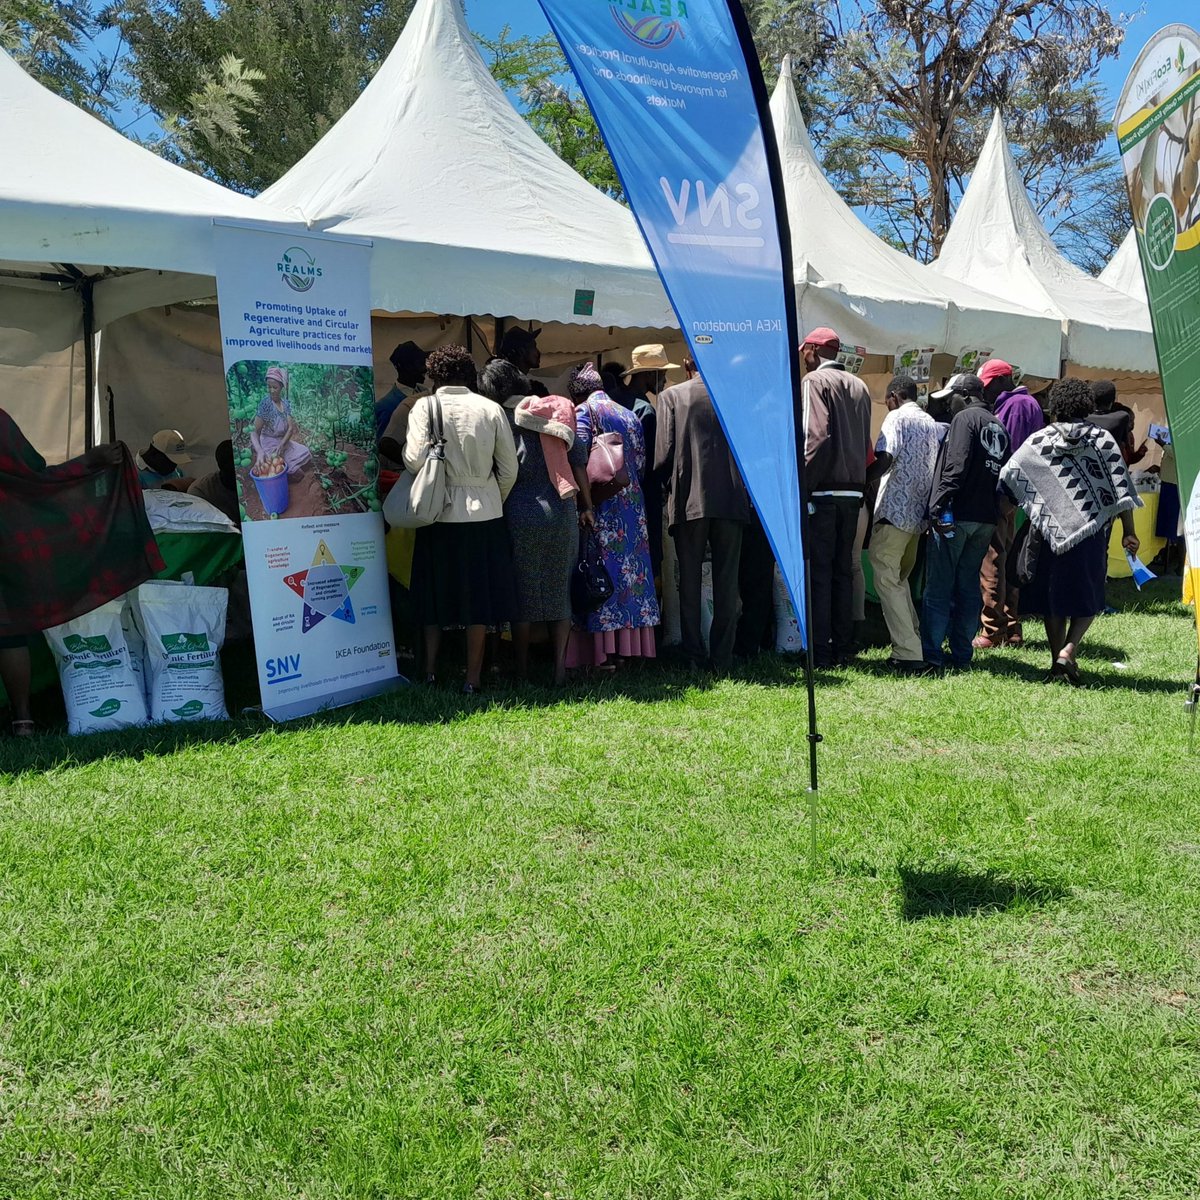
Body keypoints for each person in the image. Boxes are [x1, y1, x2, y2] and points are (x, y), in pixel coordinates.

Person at [1001, 377, 1140, 685]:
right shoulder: (1101, 440)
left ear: (1057, 405)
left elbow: (1012, 472)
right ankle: (1069, 649)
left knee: (1055, 599)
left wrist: (1008, 512)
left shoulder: (1041, 440)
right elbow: (1120, 489)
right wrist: (1128, 531)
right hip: (1090, 535)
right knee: (1089, 596)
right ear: (1086, 405)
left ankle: (1056, 661)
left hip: (1050, 533)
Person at [403, 345, 519, 693]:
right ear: (470, 374)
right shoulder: (491, 408)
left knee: (434, 595)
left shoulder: (424, 406)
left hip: (437, 512)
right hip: (485, 515)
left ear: (434, 375)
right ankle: (472, 678)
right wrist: (490, 498)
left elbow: (411, 460)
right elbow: (510, 469)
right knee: (478, 600)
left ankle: (431, 672)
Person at [477, 358, 593, 686]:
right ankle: (558, 670)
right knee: (560, 593)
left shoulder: (499, 419)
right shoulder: (554, 412)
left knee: (524, 593)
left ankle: (523, 670)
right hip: (560, 511)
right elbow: (579, 461)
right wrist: (587, 504)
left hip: (518, 513)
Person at [655, 364, 750, 673]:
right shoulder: (735, 398)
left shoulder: (671, 397)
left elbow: (663, 456)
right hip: (731, 499)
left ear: (686, 367)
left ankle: (694, 655)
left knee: (690, 581)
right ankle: (722, 658)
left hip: (688, 499)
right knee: (727, 581)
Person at [567, 363, 660, 670]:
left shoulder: (583, 412)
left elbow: (579, 458)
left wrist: (586, 504)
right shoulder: (629, 413)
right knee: (630, 577)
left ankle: (602, 653)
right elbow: (642, 463)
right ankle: (629, 648)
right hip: (632, 505)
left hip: (601, 505)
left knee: (600, 572)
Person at [921, 372, 1010, 671]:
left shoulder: (964, 420)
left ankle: (931, 653)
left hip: (956, 514)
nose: (949, 406)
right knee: (968, 585)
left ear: (965, 394)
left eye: (950, 399)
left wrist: (937, 506)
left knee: (939, 586)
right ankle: (961, 654)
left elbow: (955, 464)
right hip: (985, 518)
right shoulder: (998, 424)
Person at [800, 326, 872, 667]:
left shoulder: (814, 382)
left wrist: (803, 484)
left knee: (820, 574)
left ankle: (820, 652)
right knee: (844, 571)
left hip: (824, 492)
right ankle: (844, 647)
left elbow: (817, 435)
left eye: (804, 351)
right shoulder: (860, 385)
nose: (803, 357)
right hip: (853, 494)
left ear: (813, 351)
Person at [867, 375, 940, 673]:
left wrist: (861, 480)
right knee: (900, 582)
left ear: (895, 396)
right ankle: (914, 641)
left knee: (885, 577)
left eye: (886, 400)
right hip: (918, 517)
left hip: (894, 511)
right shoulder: (931, 424)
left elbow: (885, 457)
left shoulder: (897, 418)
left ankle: (908, 652)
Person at [973, 359, 1045, 650]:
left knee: (993, 560)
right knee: (1007, 559)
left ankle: (993, 629)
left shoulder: (1014, 406)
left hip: (1005, 492)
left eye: (989, 387)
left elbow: (1008, 452)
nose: (986, 393)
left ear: (1003, 380)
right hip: (1019, 492)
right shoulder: (1030, 403)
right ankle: (1011, 626)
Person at [623, 344, 680, 581]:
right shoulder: (645, 410)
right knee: (649, 564)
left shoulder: (616, 398)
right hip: (644, 498)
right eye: (662, 374)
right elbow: (654, 463)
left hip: (616, 497)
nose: (665, 380)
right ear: (648, 375)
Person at [251, 367, 312, 478]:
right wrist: (260, 451)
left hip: (282, 442)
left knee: (305, 452)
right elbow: (254, 432)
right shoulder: (266, 405)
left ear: (282, 387)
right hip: (269, 443)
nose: (272, 390)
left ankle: (285, 469)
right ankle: (283, 471)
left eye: (275, 387)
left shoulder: (285, 404)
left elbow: (290, 428)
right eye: (269, 387)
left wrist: (282, 444)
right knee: (296, 473)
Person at [375, 340, 429, 446]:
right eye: (420, 363)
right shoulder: (387, 407)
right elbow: (385, 449)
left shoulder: (426, 393)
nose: (425, 368)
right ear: (406, 367)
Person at [1088, 380, 1146, 466]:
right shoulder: (1120, 422)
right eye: (1130, 421)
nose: (1132, 424)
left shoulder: (1082, 423)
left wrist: (1139, 455)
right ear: (1112, 401)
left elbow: (1128, 459)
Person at [188, 439, 241, 526]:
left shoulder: (255, 483)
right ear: (220, 466)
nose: (237, 475)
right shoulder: (201, 491)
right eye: (231, 470)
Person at [496, 326, 547, 395]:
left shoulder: (497, 386)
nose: (538, 352)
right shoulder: (534, 390)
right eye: (533, 347)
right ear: (521, 351)